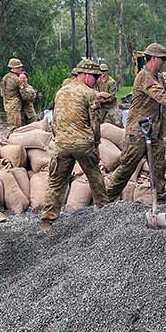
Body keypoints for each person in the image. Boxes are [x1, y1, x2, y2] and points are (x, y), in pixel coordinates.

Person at [105, 43, 166, 203]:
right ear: (153, 58)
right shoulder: (144, 76)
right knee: (127, 167)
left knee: (158, 168)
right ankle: (107, 199)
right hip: (138, 132)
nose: (164, 62)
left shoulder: (159, 77)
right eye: (162, 59)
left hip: (155, 132)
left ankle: (160, 201)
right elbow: (161, 96)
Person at [40, 59, 107, 231]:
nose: (96, 80)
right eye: (94, 76)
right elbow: (95, 123)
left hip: (62, 144)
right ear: (84, 75)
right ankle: (105, 212)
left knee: (56, 182)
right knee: (95, 178)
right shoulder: (89, 94)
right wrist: (96, 143)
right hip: (83, 144)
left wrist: (58, 138)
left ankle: (47, 220)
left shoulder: (61, 92)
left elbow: (55, 119)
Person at [0, 58, 26, 128]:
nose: (21, 68)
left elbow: (1, 92)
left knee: (11, 126)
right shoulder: (17, 79)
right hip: (15, 106)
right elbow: (25, 95)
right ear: (14, 68)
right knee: (16, 128)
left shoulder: (5, 77)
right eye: (19, 67)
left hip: (7, 105)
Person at [94, 63, 123, 127]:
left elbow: (112, 96)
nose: (102, 73)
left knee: (117, 121)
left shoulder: (111, 82)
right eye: (101, 71)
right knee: (97, 121)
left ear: (107, 72)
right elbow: (95, 91)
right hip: (101, 105)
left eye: (104, 71)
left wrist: (104, 100)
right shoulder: (97, 81)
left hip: (111, 105)